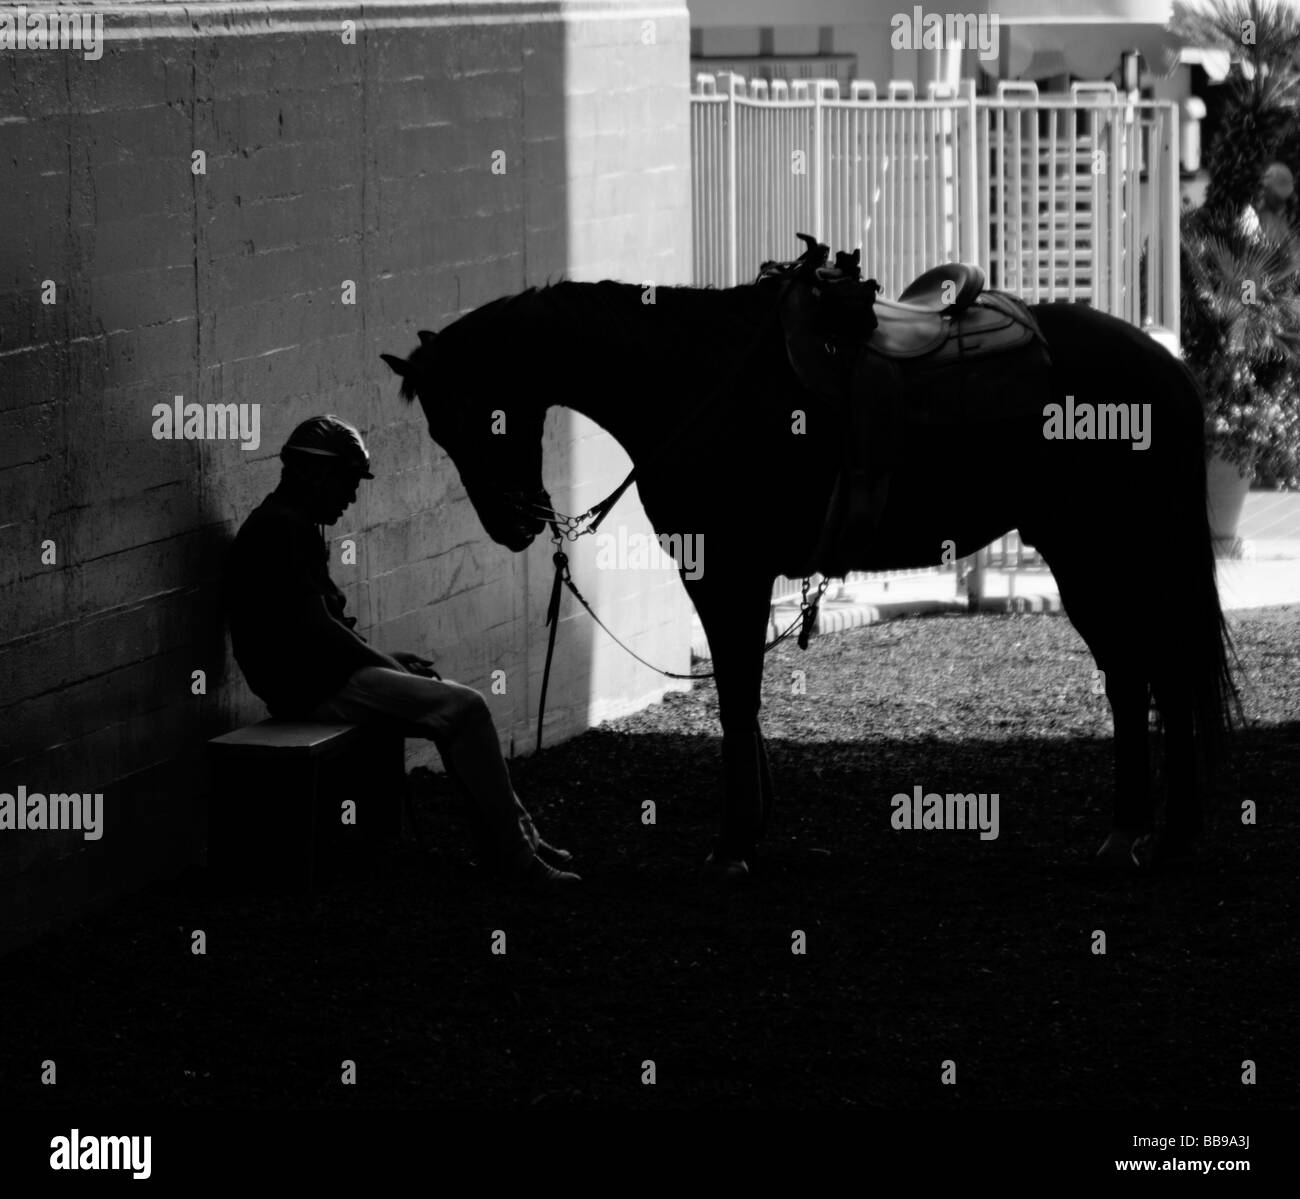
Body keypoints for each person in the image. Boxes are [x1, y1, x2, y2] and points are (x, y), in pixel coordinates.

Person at [223, 414, 579, 888]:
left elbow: (318, 631)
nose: (351, 497)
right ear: (316, 473)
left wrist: (387, 662)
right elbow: (320, 630)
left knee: (452, 703)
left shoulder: (290, 523)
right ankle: (514, 858)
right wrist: (385, 663)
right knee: (466, 707)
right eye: (347, 483)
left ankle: (519, 840)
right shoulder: (282, 528)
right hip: (309, 690)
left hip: (318, 679)